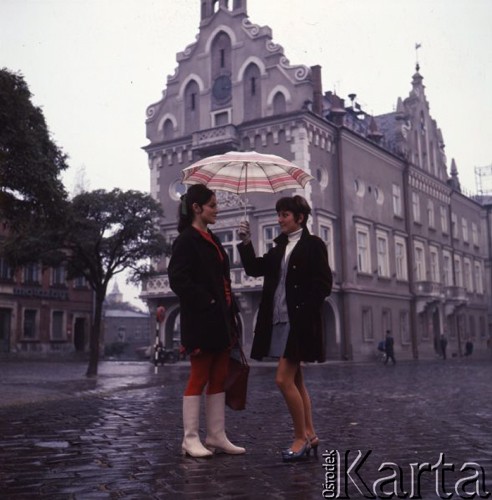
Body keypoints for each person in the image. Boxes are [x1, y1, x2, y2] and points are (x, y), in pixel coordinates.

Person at [237, 195, 332, 462]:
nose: (279, 219)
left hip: (298, 322)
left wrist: (304, 310)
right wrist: (245, 242)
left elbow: (324, 284)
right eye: (279, 214)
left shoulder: (313, 245)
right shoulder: (279, 246)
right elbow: (254, 268)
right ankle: (311, 434)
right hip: (278, 319)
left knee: (282, 379)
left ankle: (300, 438)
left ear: (299, 218)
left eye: (284, 215)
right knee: (296, 380)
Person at [168, 184, 245, 458]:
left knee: (220, 376)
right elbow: (178, 279)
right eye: (212, 205)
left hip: (222, 319)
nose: (217, 209)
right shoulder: (186, 240)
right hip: (201, 319)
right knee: (199, 376)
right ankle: (190, 439)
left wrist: (230, 309)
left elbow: (223, 279)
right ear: (196, 208)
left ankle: (216, 435)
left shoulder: (212, 238)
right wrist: (208, 302)